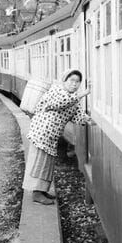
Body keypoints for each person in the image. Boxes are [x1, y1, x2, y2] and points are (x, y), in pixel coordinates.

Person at [23, 69, 92, 205]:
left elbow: (79, 117)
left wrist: (91, 121)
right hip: (41, 132)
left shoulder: (74, 99)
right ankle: (36, 193)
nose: (74, 84)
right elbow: (60, 103)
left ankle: (42, 191)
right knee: (39, 162)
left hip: (51, 136)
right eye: (71, 81)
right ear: (64, 81)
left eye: (77, 82)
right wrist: (84, 93)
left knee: (47, 164)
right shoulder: (57, 91)